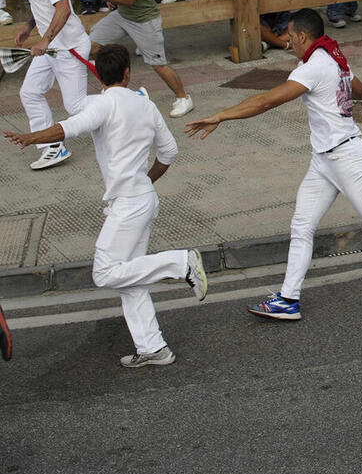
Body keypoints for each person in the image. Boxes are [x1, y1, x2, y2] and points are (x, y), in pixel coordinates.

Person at [184, 8, 362, 320]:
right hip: (324, 160)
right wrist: (341, 79)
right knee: (302, 225)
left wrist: (220, 115)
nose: (287, 43)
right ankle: (288, 299)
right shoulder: (332, 58)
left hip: (346, 157)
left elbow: (267, 100)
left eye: (290, 37)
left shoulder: (315, 65)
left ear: (304, 37)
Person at [3, 44, 210, 367]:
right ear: (128, 73)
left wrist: (31, 138)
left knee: (104, 272)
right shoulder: (146, 105)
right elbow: (168, 153)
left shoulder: (103, 105)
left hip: (128, 206)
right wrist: (143, 181)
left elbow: (66, 129)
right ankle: (153, 348)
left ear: (98, 74)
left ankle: (180, 263)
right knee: (129, 279)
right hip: (142, 199)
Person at [12, 0, 91, 170]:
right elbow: (42, 8)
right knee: (29, 92)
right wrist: (28, 29)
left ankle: (128, 102)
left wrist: (44, 41)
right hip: (51, 48)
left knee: (76, 106)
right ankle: (52, 147)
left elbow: (63, 9)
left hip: (69, 47)